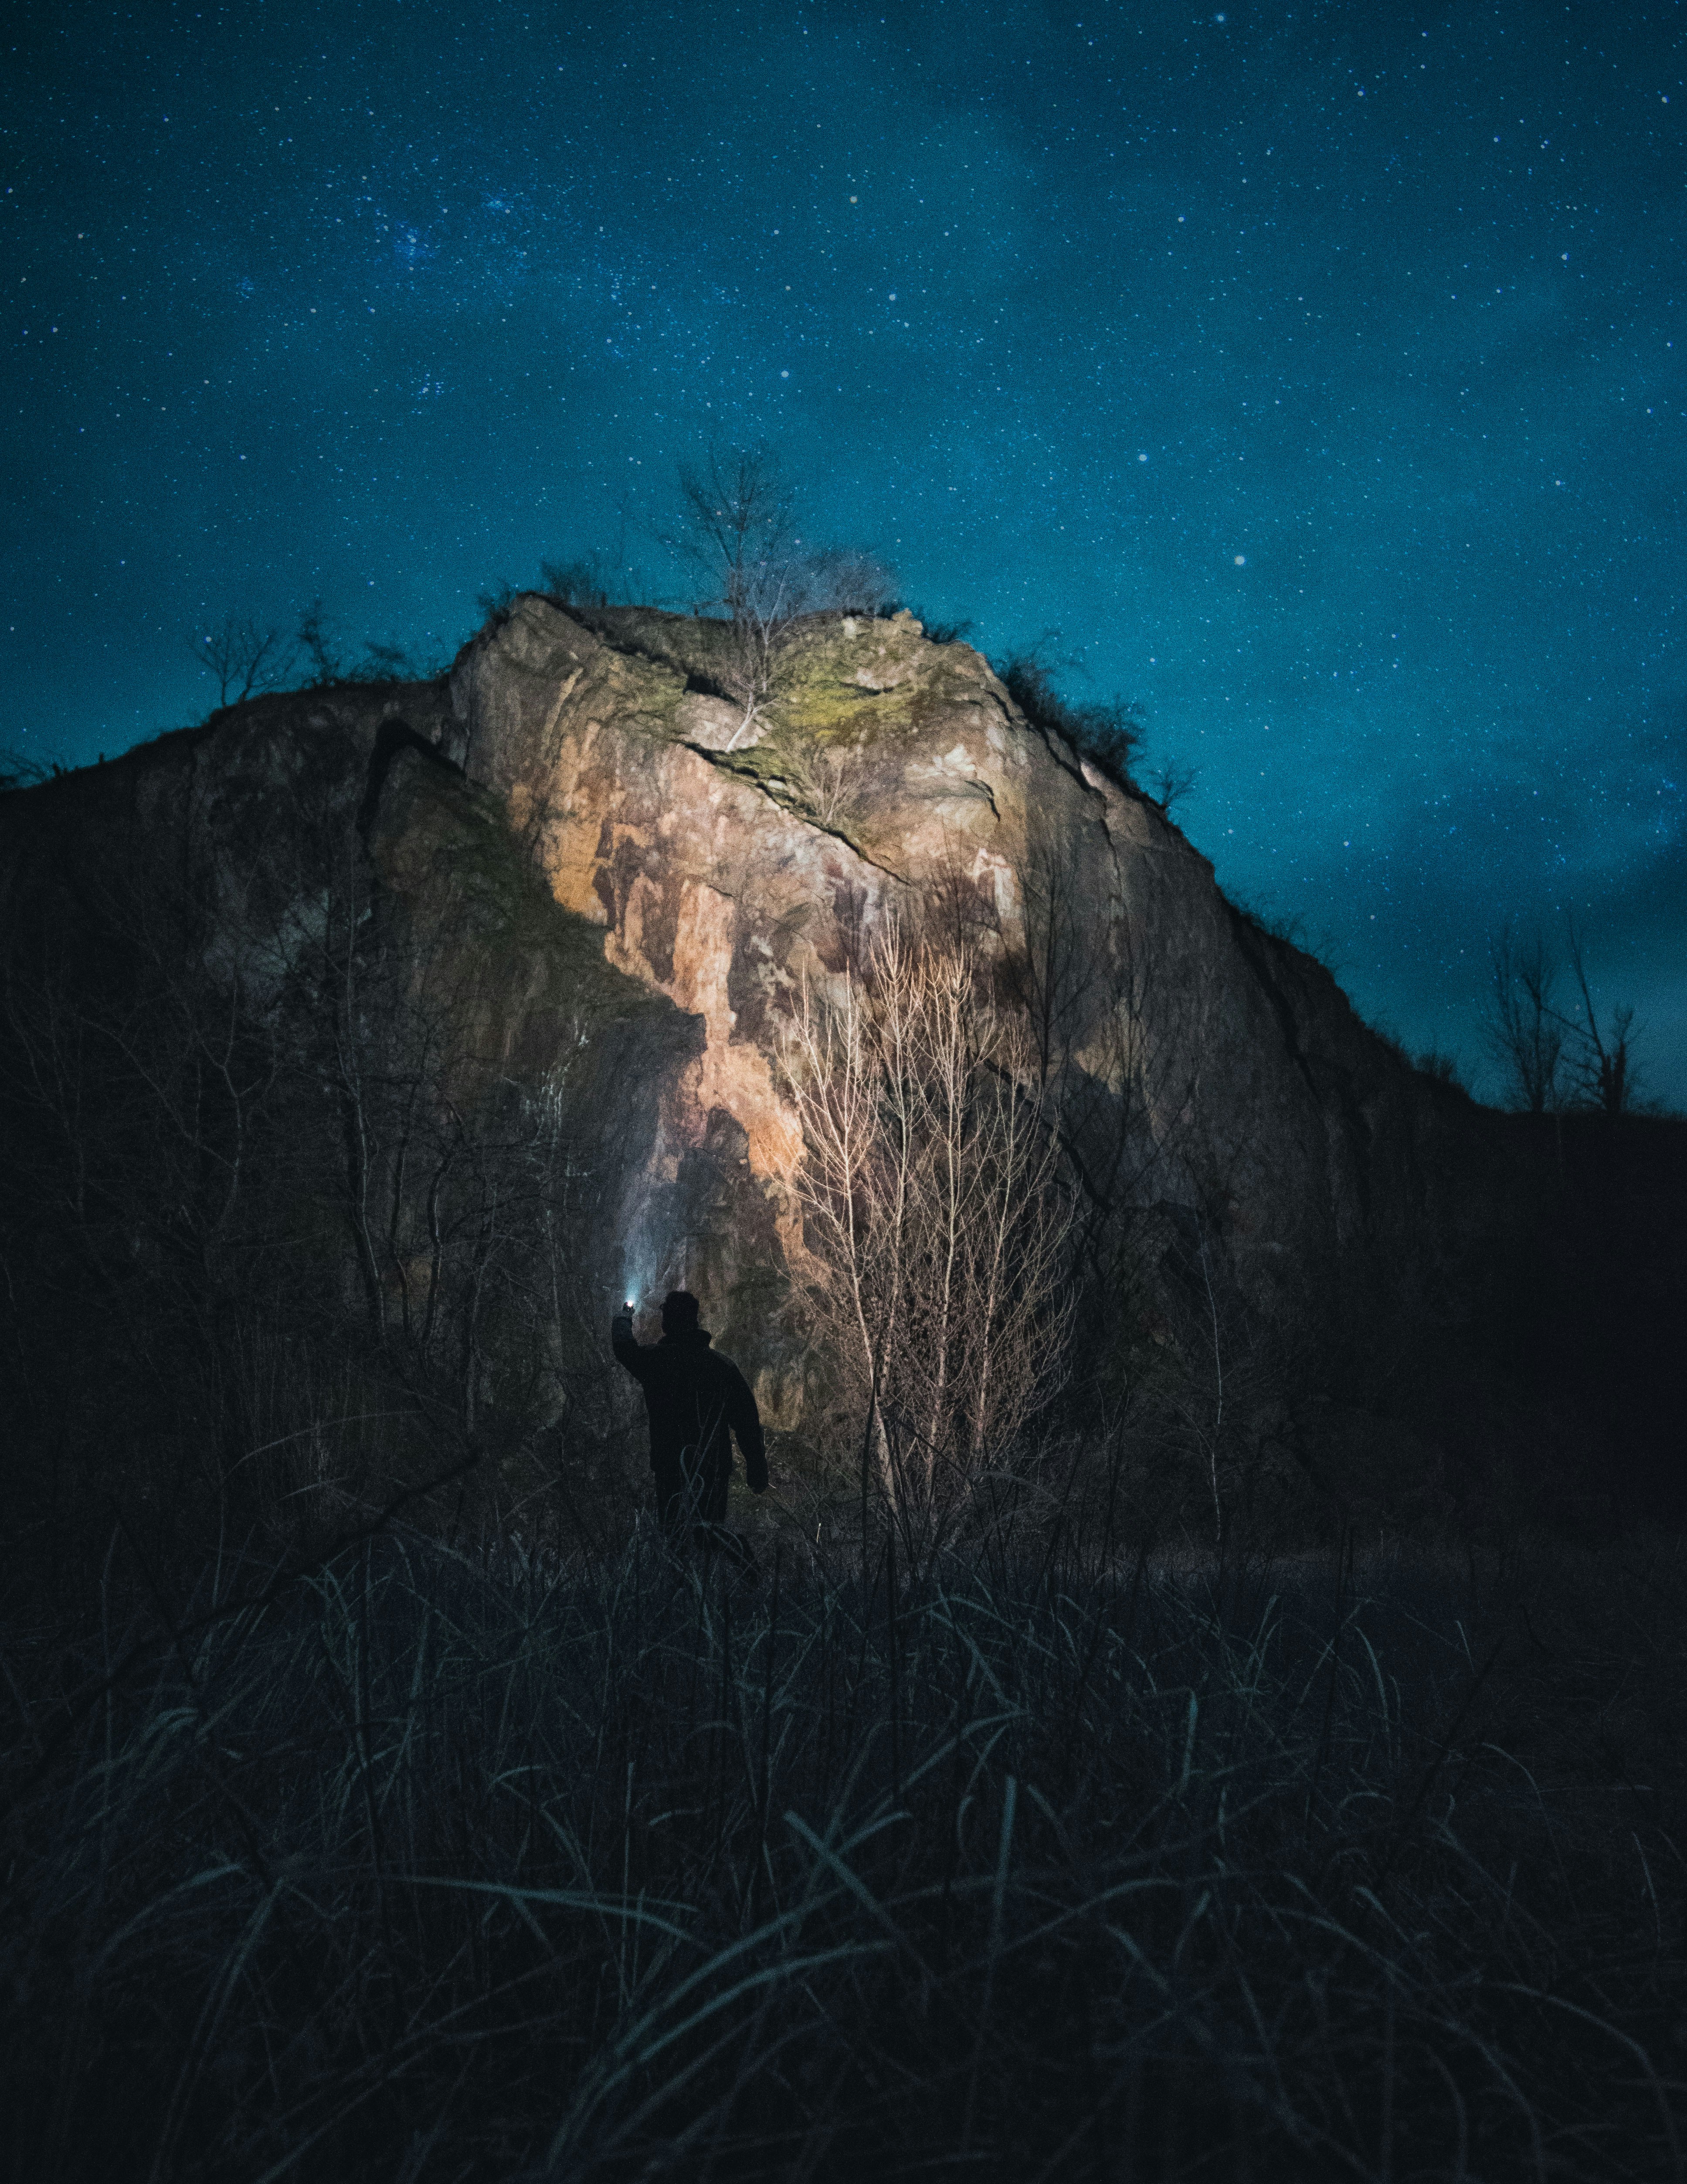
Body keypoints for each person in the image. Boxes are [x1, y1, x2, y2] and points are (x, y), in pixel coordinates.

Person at [612, 1290, 767, 1571]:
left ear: (667, 1323)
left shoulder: (657, 1362)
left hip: (669, 1464)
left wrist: (625, 1316)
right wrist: (757, 1468)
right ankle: (733, 1571)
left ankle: (683, 1594)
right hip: (713, 1466)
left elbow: (624, 1349)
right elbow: (746, 1421)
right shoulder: (721, 1367)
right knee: (708, 1531)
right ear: (695, 1322)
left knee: (674, 1538)